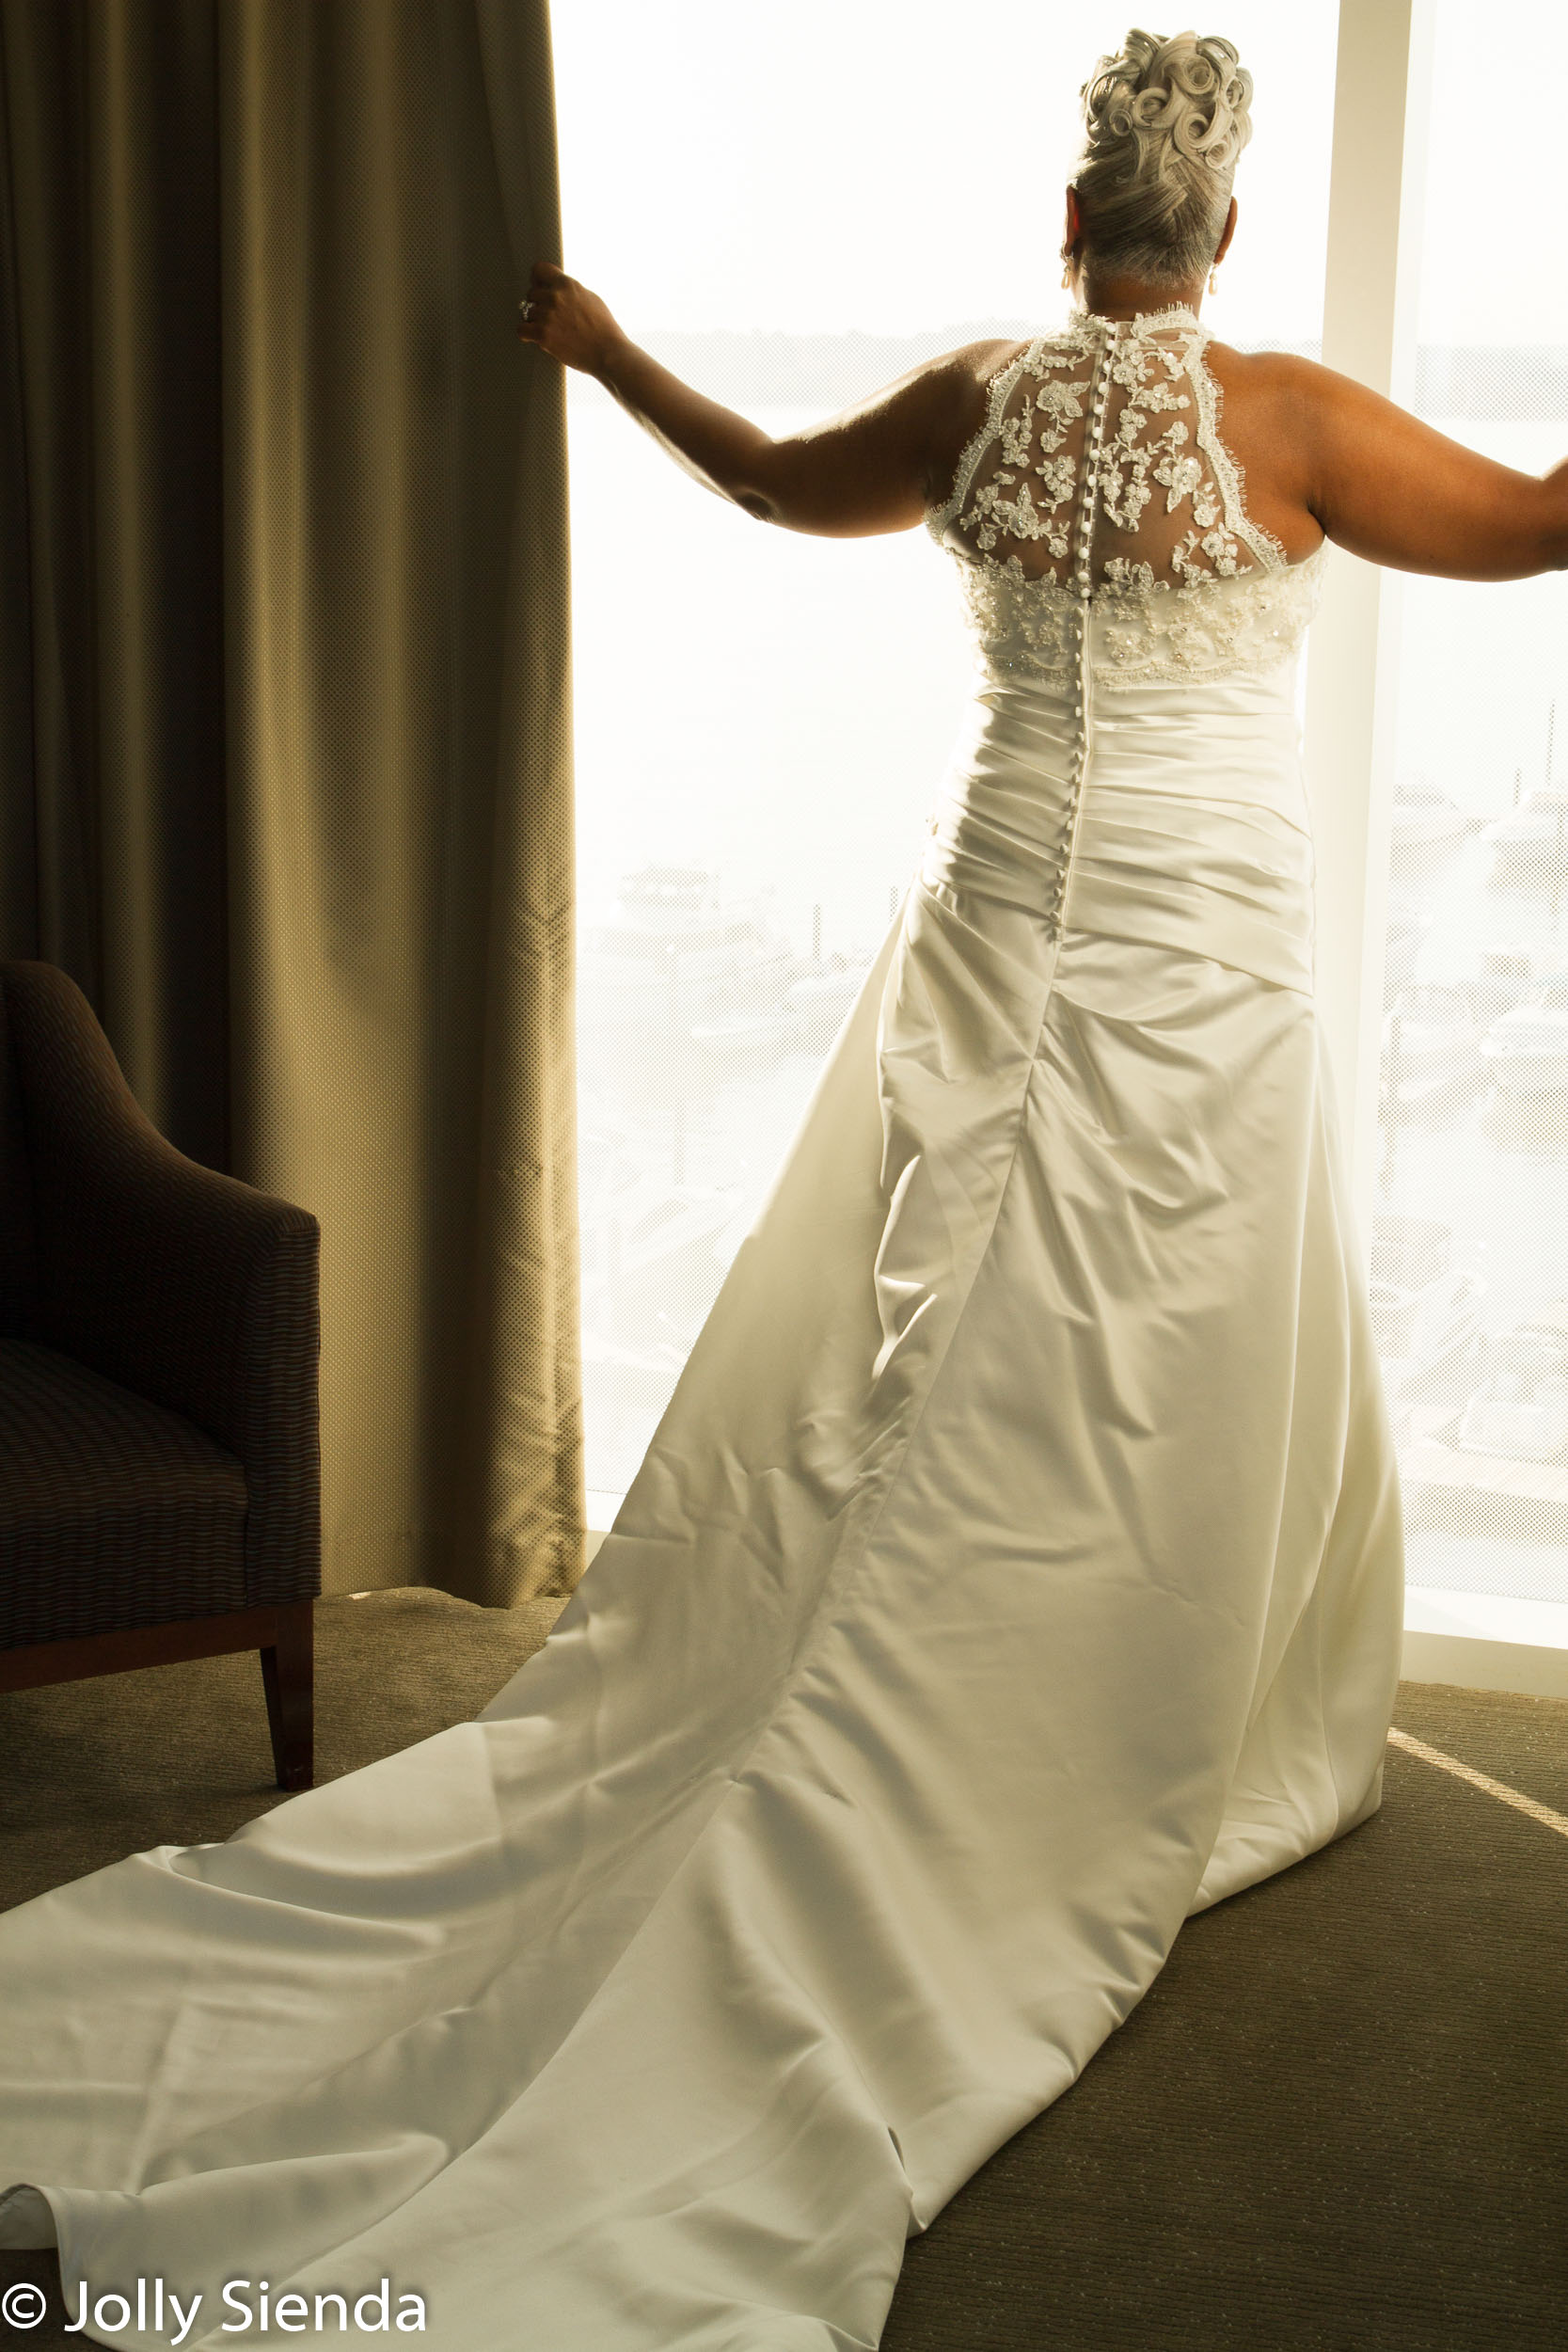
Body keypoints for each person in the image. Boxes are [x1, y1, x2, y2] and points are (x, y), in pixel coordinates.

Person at [2, 25, 1565, 2352]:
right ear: (1219, 235)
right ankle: (1086, 1724)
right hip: (1196, 979)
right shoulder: (1298, 425)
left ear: (1071, 228)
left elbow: (756, 482)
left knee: (940, 1395)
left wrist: (611, 343)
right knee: (1147, 1378)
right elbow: (1545, 521)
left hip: (1004, 940)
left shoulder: (967, 400)